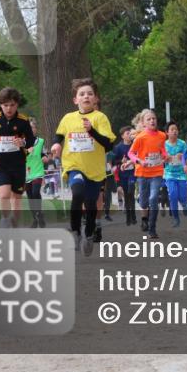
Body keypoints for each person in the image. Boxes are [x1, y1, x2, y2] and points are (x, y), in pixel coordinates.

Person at [51, 78, 115, 256]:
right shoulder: (68, 118)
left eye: (90, 94)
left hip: (94, 171)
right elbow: (58, 136)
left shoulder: (100, 118)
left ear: (96, 99)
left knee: (91, 204)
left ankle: (88, 233)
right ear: (75, 100)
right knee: (77, 193)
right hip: (74, 165)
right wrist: (56, 145)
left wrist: (91, 131)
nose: (86, 96)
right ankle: (75, 231)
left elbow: (108, 145)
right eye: (82, 94)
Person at [0, 87, 35, 227]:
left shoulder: (23, 121)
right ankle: (4, 219)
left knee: (16, 202)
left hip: (18, 165)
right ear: (1, 105)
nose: (9, 109)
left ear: (17, 104)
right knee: (4, 195)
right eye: (6, 105)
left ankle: (15, 225)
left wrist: (23, 142)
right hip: (0, 164)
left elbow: (31, 140)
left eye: (12, 105)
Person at [128, 109, 167, 239]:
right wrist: (139, 160)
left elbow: (162, 149)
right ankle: (145, 217)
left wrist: (165, 156)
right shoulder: (140, 137)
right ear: (144, 123)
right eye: (149, 119)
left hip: (157, 172)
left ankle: (152, 228)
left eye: (154, 118)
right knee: (144, 202)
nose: (152, 121)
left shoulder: (162, 135)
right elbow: (131, 153)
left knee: (154, 198)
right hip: (142, 173)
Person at [163, 121, 187, 227]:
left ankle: (184, 203)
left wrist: (182, 155)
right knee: (173, 195)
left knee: (182, 196)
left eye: (176, 129)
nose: (174, 131)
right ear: (167, 132)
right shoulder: (163, 144)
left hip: (182, 174)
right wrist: (166, 158)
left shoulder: (182, 143)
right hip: (169, 174)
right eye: (172, 129)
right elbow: (160, 158)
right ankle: (176, 218)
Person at [25, 118, 48, 228]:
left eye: (32, 127)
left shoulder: (41, 141)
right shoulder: (21, 142)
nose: (30, 129)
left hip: (37, 170)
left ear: (35, 129)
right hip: (26, 172)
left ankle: (39, 213)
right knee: (30, 197)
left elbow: (44, 153)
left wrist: (45, 158)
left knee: (35, 192)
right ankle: (36, 218)